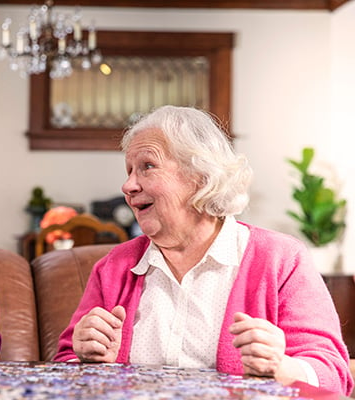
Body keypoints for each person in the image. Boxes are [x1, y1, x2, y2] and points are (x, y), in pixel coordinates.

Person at [54, 105, 353, 395]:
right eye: (129, 171)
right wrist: (85, 360)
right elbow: (60, 367)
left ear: (200, 176)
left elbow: (335, 375)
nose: (128, 185)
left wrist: (284, 368)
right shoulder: (113, 268)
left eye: (147, 166)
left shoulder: (282, 259)